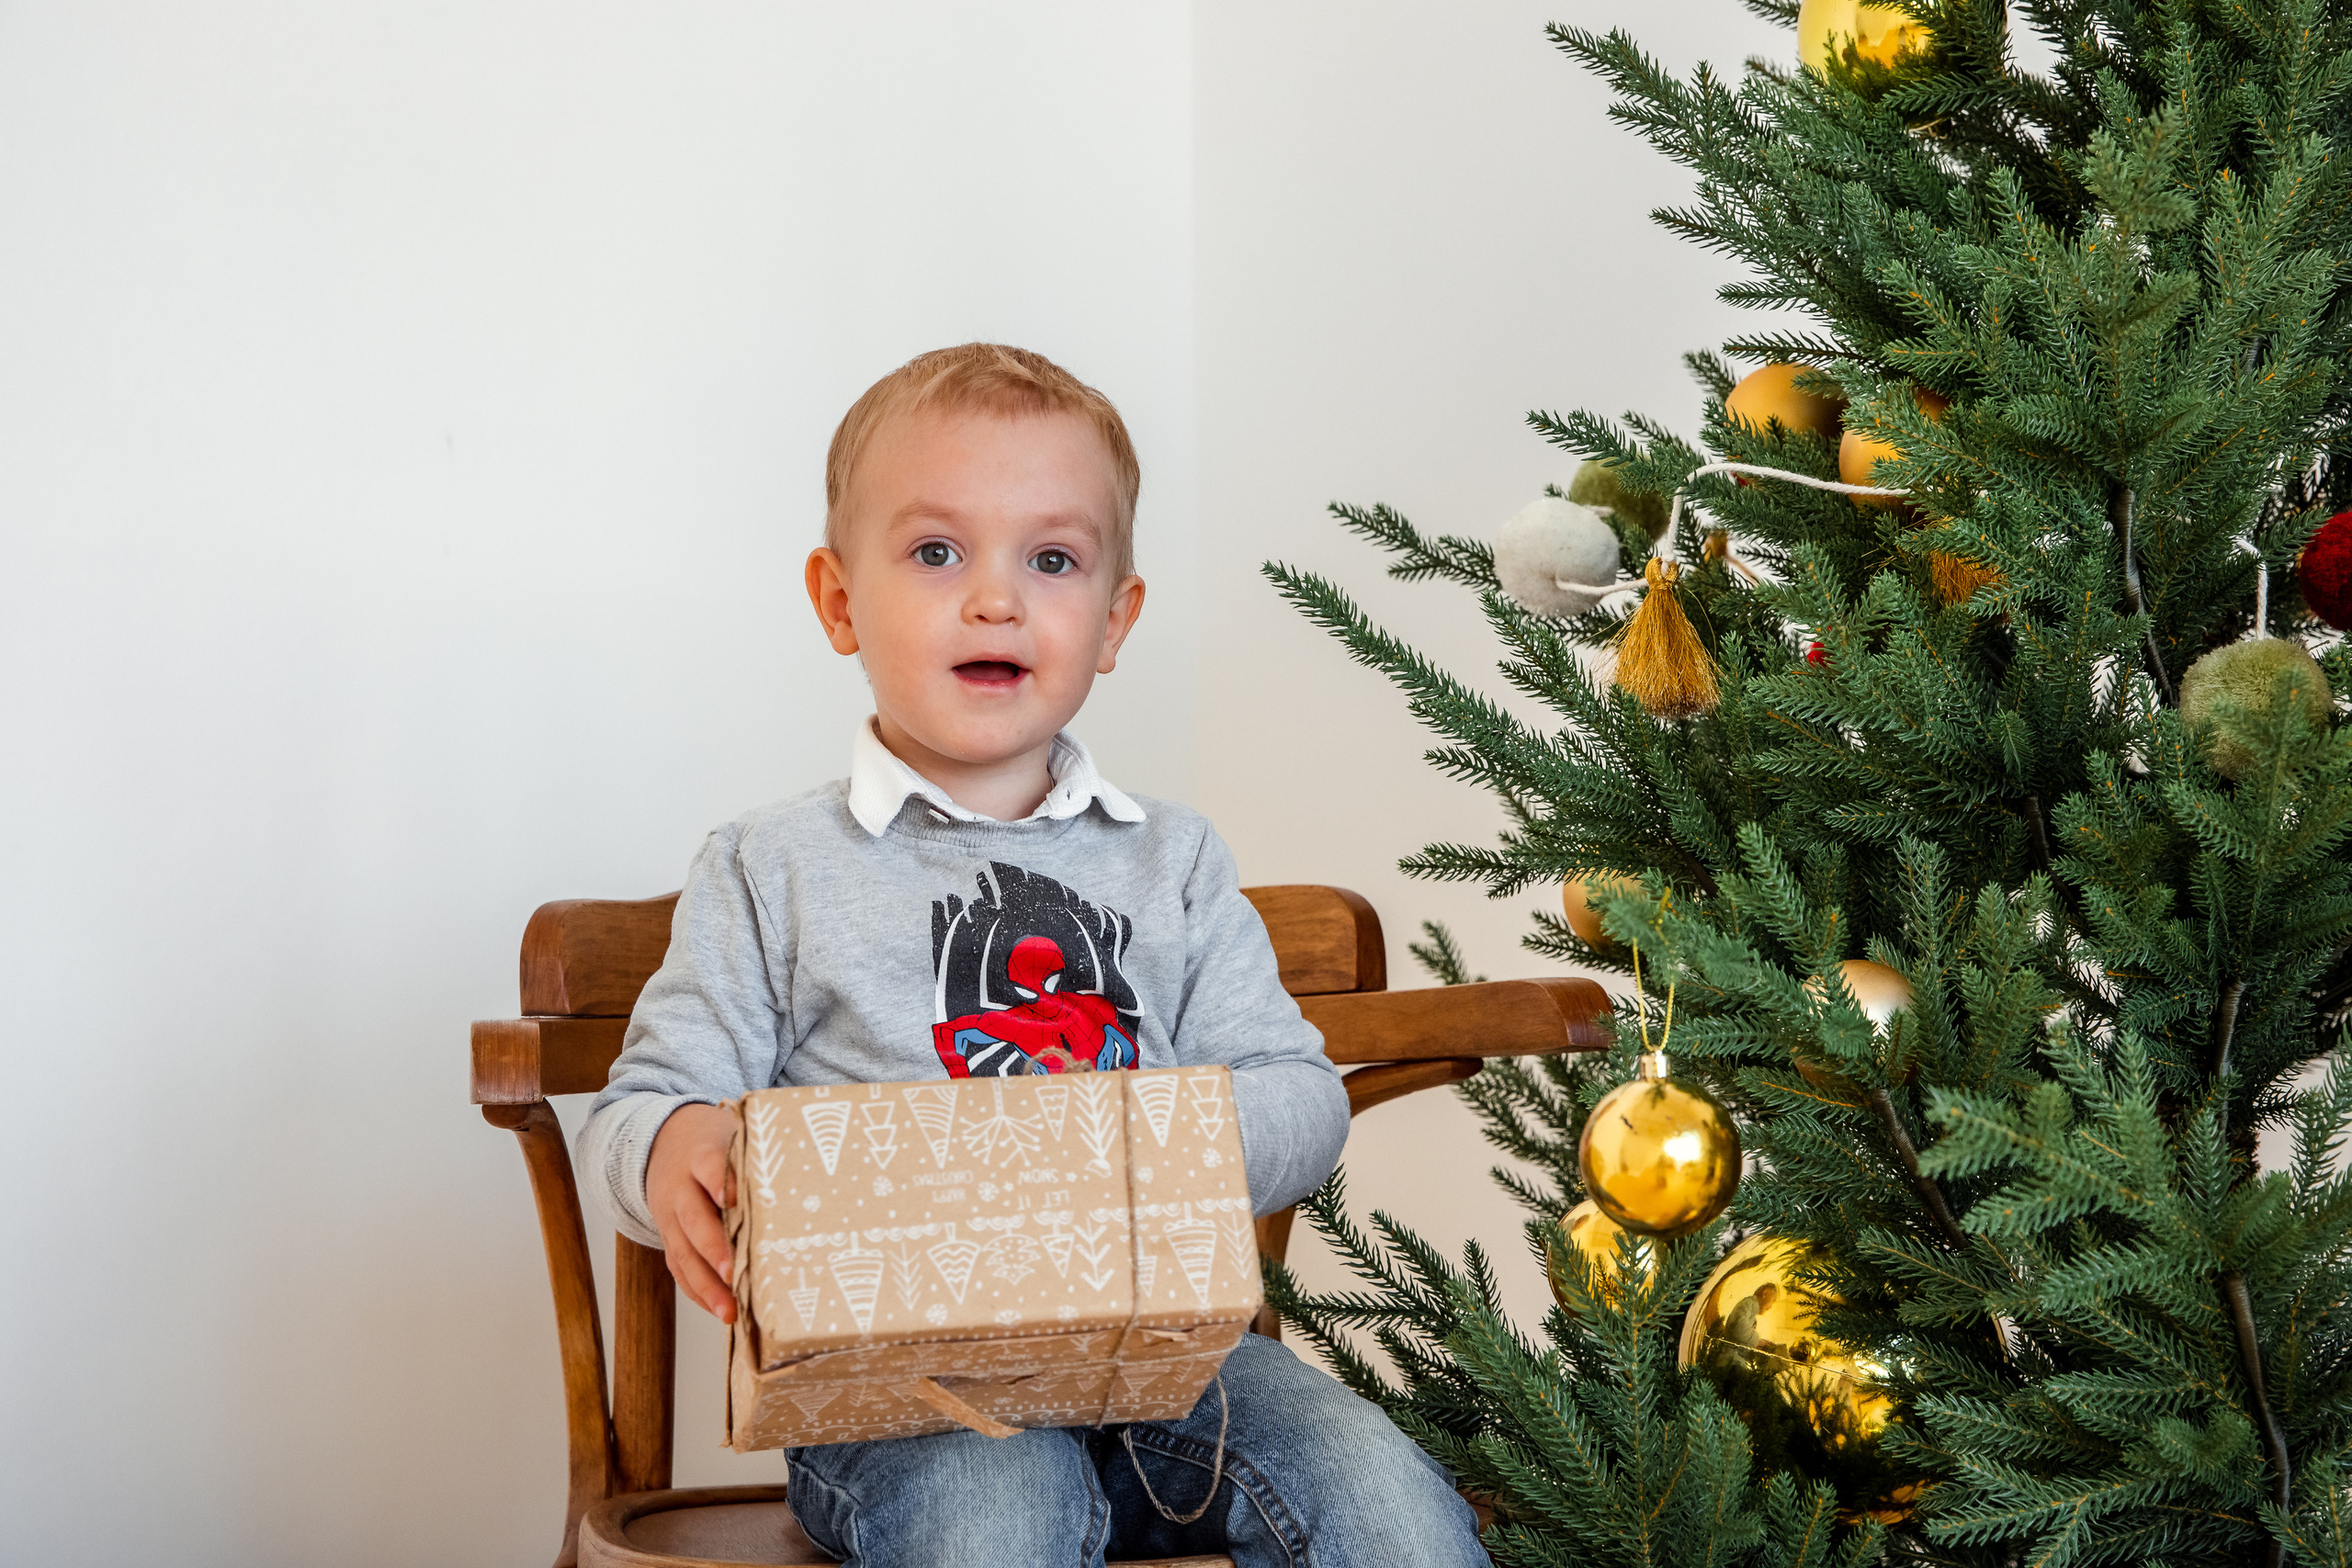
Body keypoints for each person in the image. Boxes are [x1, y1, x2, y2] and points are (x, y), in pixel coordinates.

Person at [579, 343, 1487, 1567]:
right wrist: (677, 1143)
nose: (996, 599)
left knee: (1380, 1487)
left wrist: (1142, 1149)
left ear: (1115, 620)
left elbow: (1303, 1101)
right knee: (1000, 1511)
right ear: (841, 600)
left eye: (1051, 560)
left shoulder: (1173, 861)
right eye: (937, 552)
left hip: (1174, 1366)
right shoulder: (772, 865)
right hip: (904, 1390)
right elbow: (642, 1107)